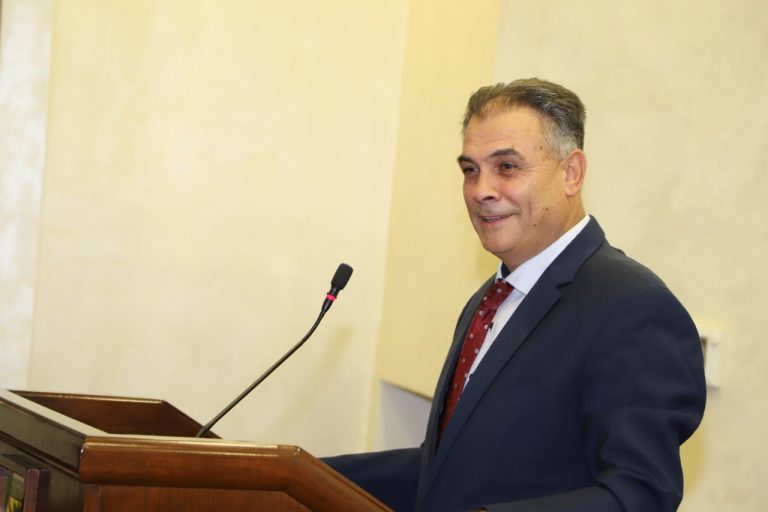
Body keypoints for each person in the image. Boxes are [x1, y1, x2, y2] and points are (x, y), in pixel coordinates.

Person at [324, 78, 706, 512]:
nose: (480, 190)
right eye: (470, 170)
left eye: (506, 166)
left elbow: (639, 496)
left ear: (571, 173)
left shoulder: (633, 307)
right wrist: (294, 473)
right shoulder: (488, 300)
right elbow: (449, 469)